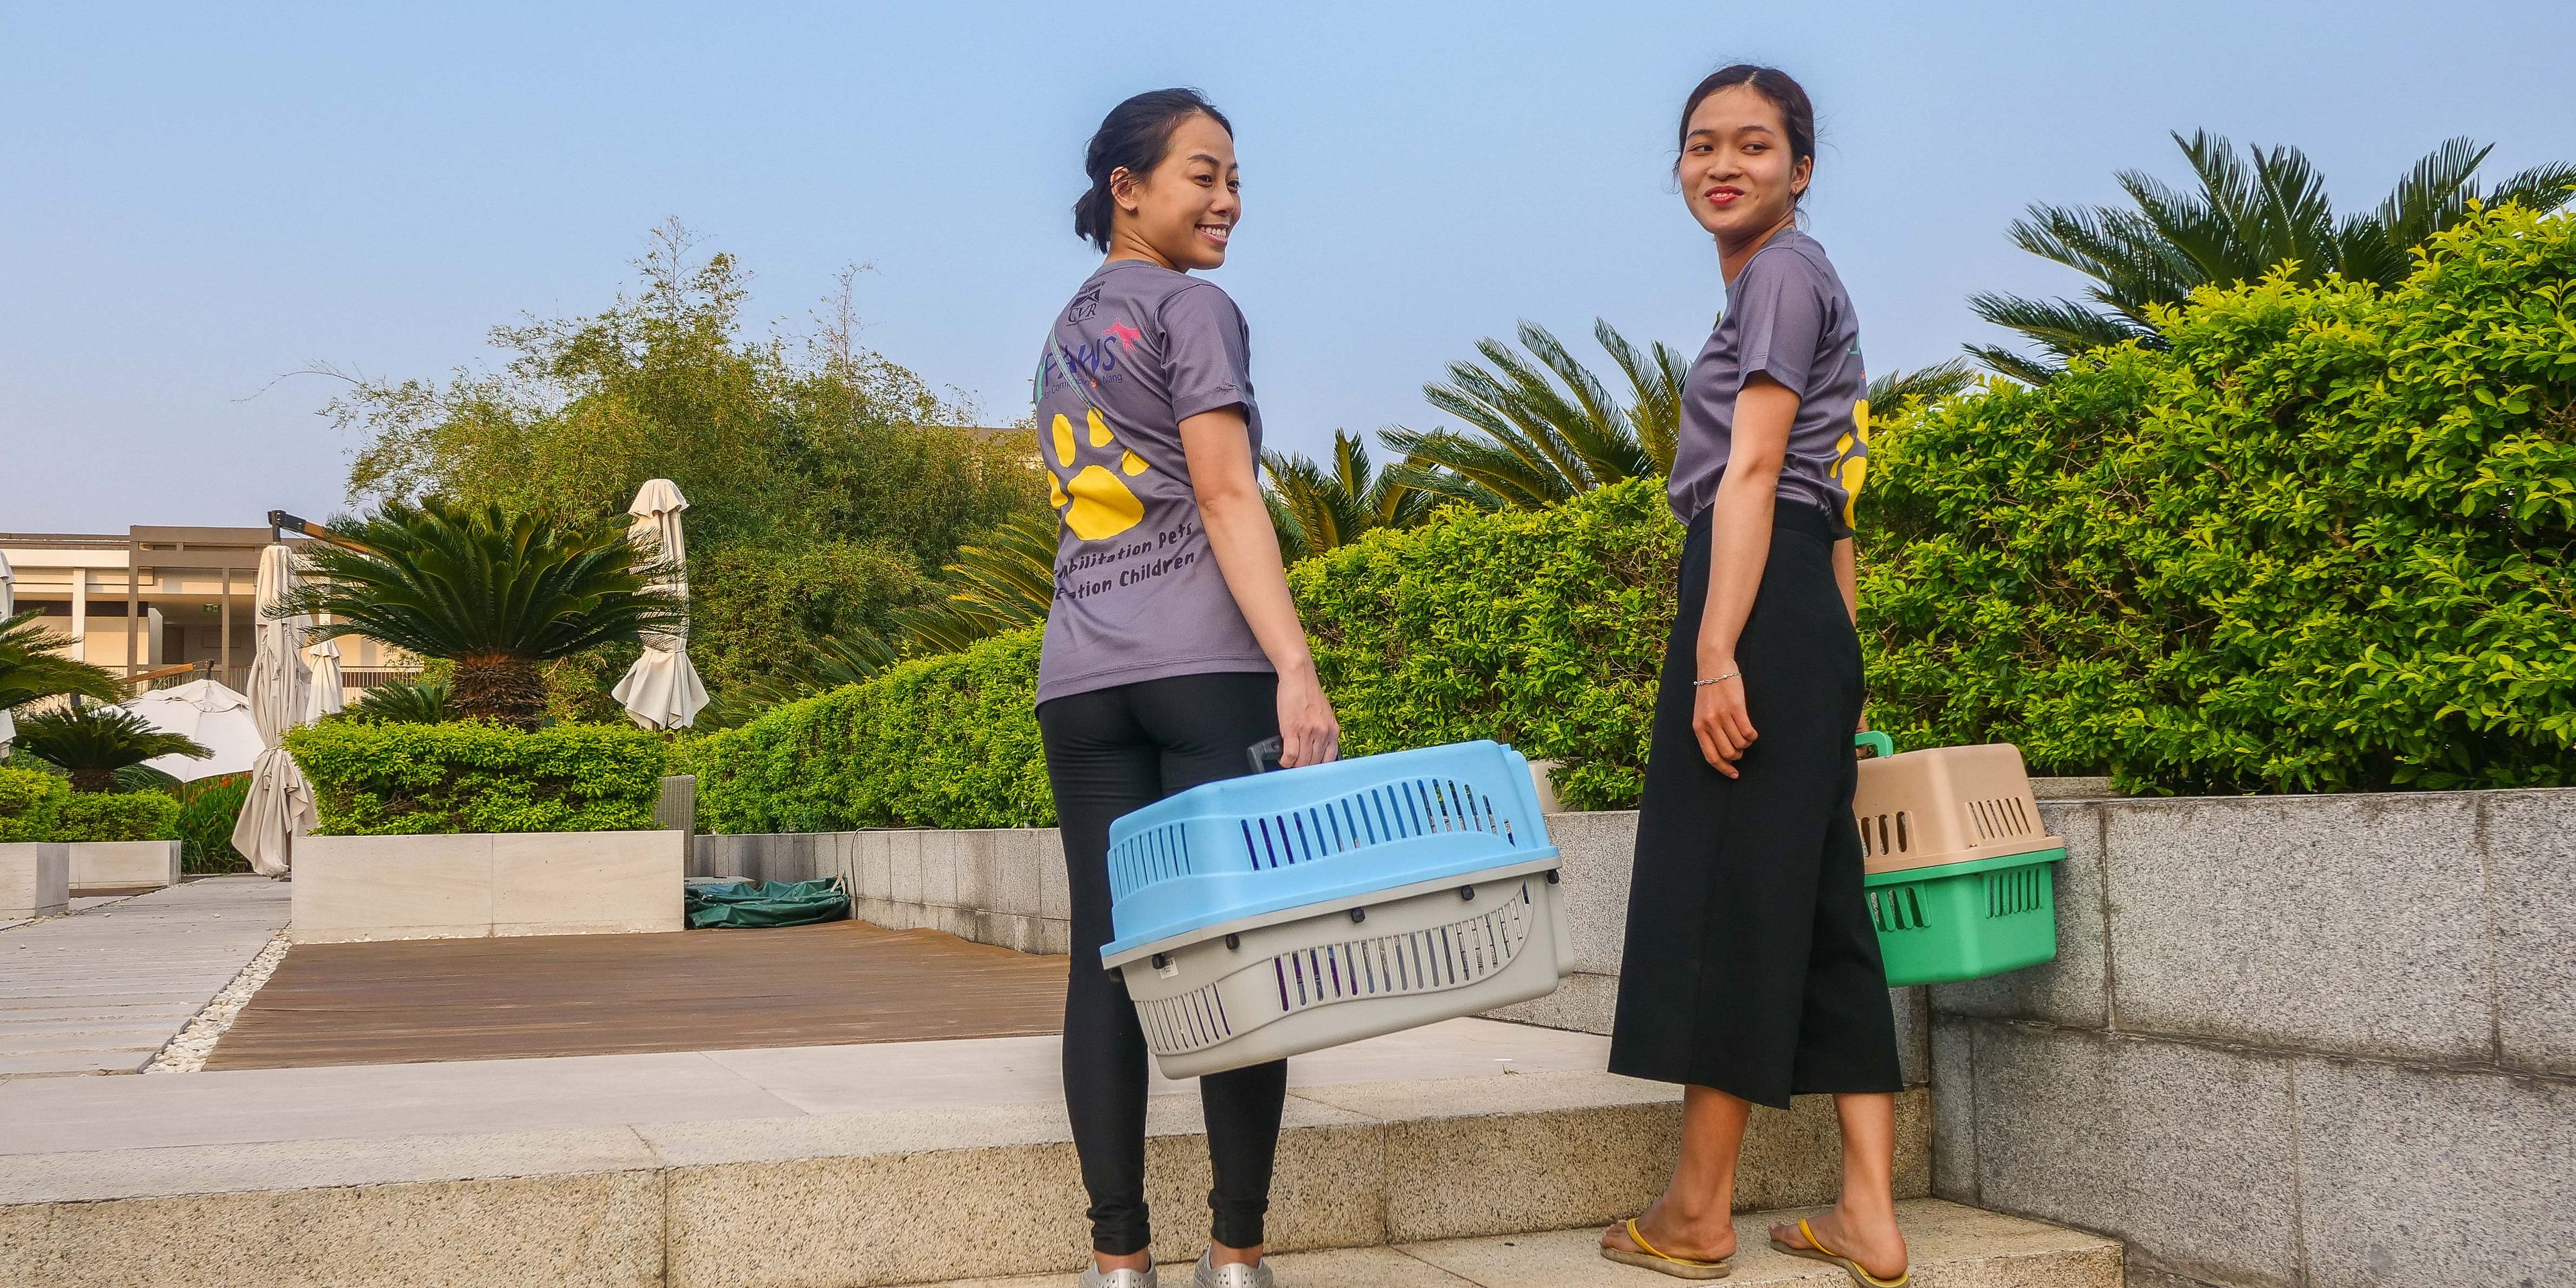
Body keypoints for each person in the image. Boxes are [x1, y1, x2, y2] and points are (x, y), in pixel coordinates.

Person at [1597, 66, 1911, 1287]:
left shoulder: (1779, 274)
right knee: (1828, 909)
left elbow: (1756, 473)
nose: (1722, 164)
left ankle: (1696, 1213)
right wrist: (1839, 665)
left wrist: (1715, 652)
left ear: (1802, 168)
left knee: (1725, 892)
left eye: (1754, 145)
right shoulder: (1803, 282)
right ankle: (1868, 1215)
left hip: (1753, 599)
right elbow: (1840, 516)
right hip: (1805, 618)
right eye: (1700, 146)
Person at [1034, 87, 1341, 1288]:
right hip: (1204, 668)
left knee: (1106, 961)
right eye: (1201, 176)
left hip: (1080, 680)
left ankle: (1120, 1263)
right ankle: (1238, 1256)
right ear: (1129, 188)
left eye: (1233, 177)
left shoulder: (1065, 325)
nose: (1227, 200)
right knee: (1234, 954)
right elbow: (1224, 495)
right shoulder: (1195, 305)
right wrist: (1295, 665)